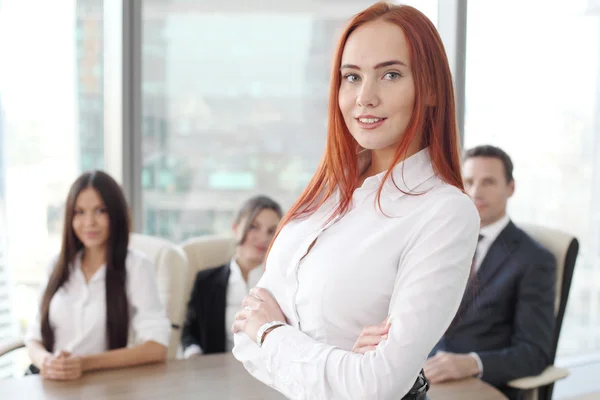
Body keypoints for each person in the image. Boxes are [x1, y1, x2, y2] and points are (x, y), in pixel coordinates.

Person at [230, 3, 480, 399]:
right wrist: (340, 362)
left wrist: (271, 332)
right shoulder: (327, 193)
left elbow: (377, 386)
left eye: (391, 74)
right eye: (352, 77)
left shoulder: (445, 212)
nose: (365, 97)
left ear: (430, 88)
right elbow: (243, 338)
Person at [423, 145, 556, 399]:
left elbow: (535, 353)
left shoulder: (535, 260)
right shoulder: (444, 240)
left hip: (478, 384)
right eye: (469, 181)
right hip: (423, 370)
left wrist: (472, 363)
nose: (475, 192)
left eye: (489, 182)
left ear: (511, 188)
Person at [24, 171, 170, 381]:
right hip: (48, 383)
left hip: (102, 385)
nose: (89, 222)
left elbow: (156, 348)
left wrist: (84, 363)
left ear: (116, 214)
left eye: (100, 211)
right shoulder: (58, 265)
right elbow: (34, 337)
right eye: (79, 212)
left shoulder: (136, 267)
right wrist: (47, 361)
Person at [180, 195, 283, 356]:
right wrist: (194, 354)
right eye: (253, 227)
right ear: (236, 228)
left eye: (271, 231)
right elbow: (189, 332)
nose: (263, 238)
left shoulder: (283, 283)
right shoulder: (206, 281)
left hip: (270, 370)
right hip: (219, 370)